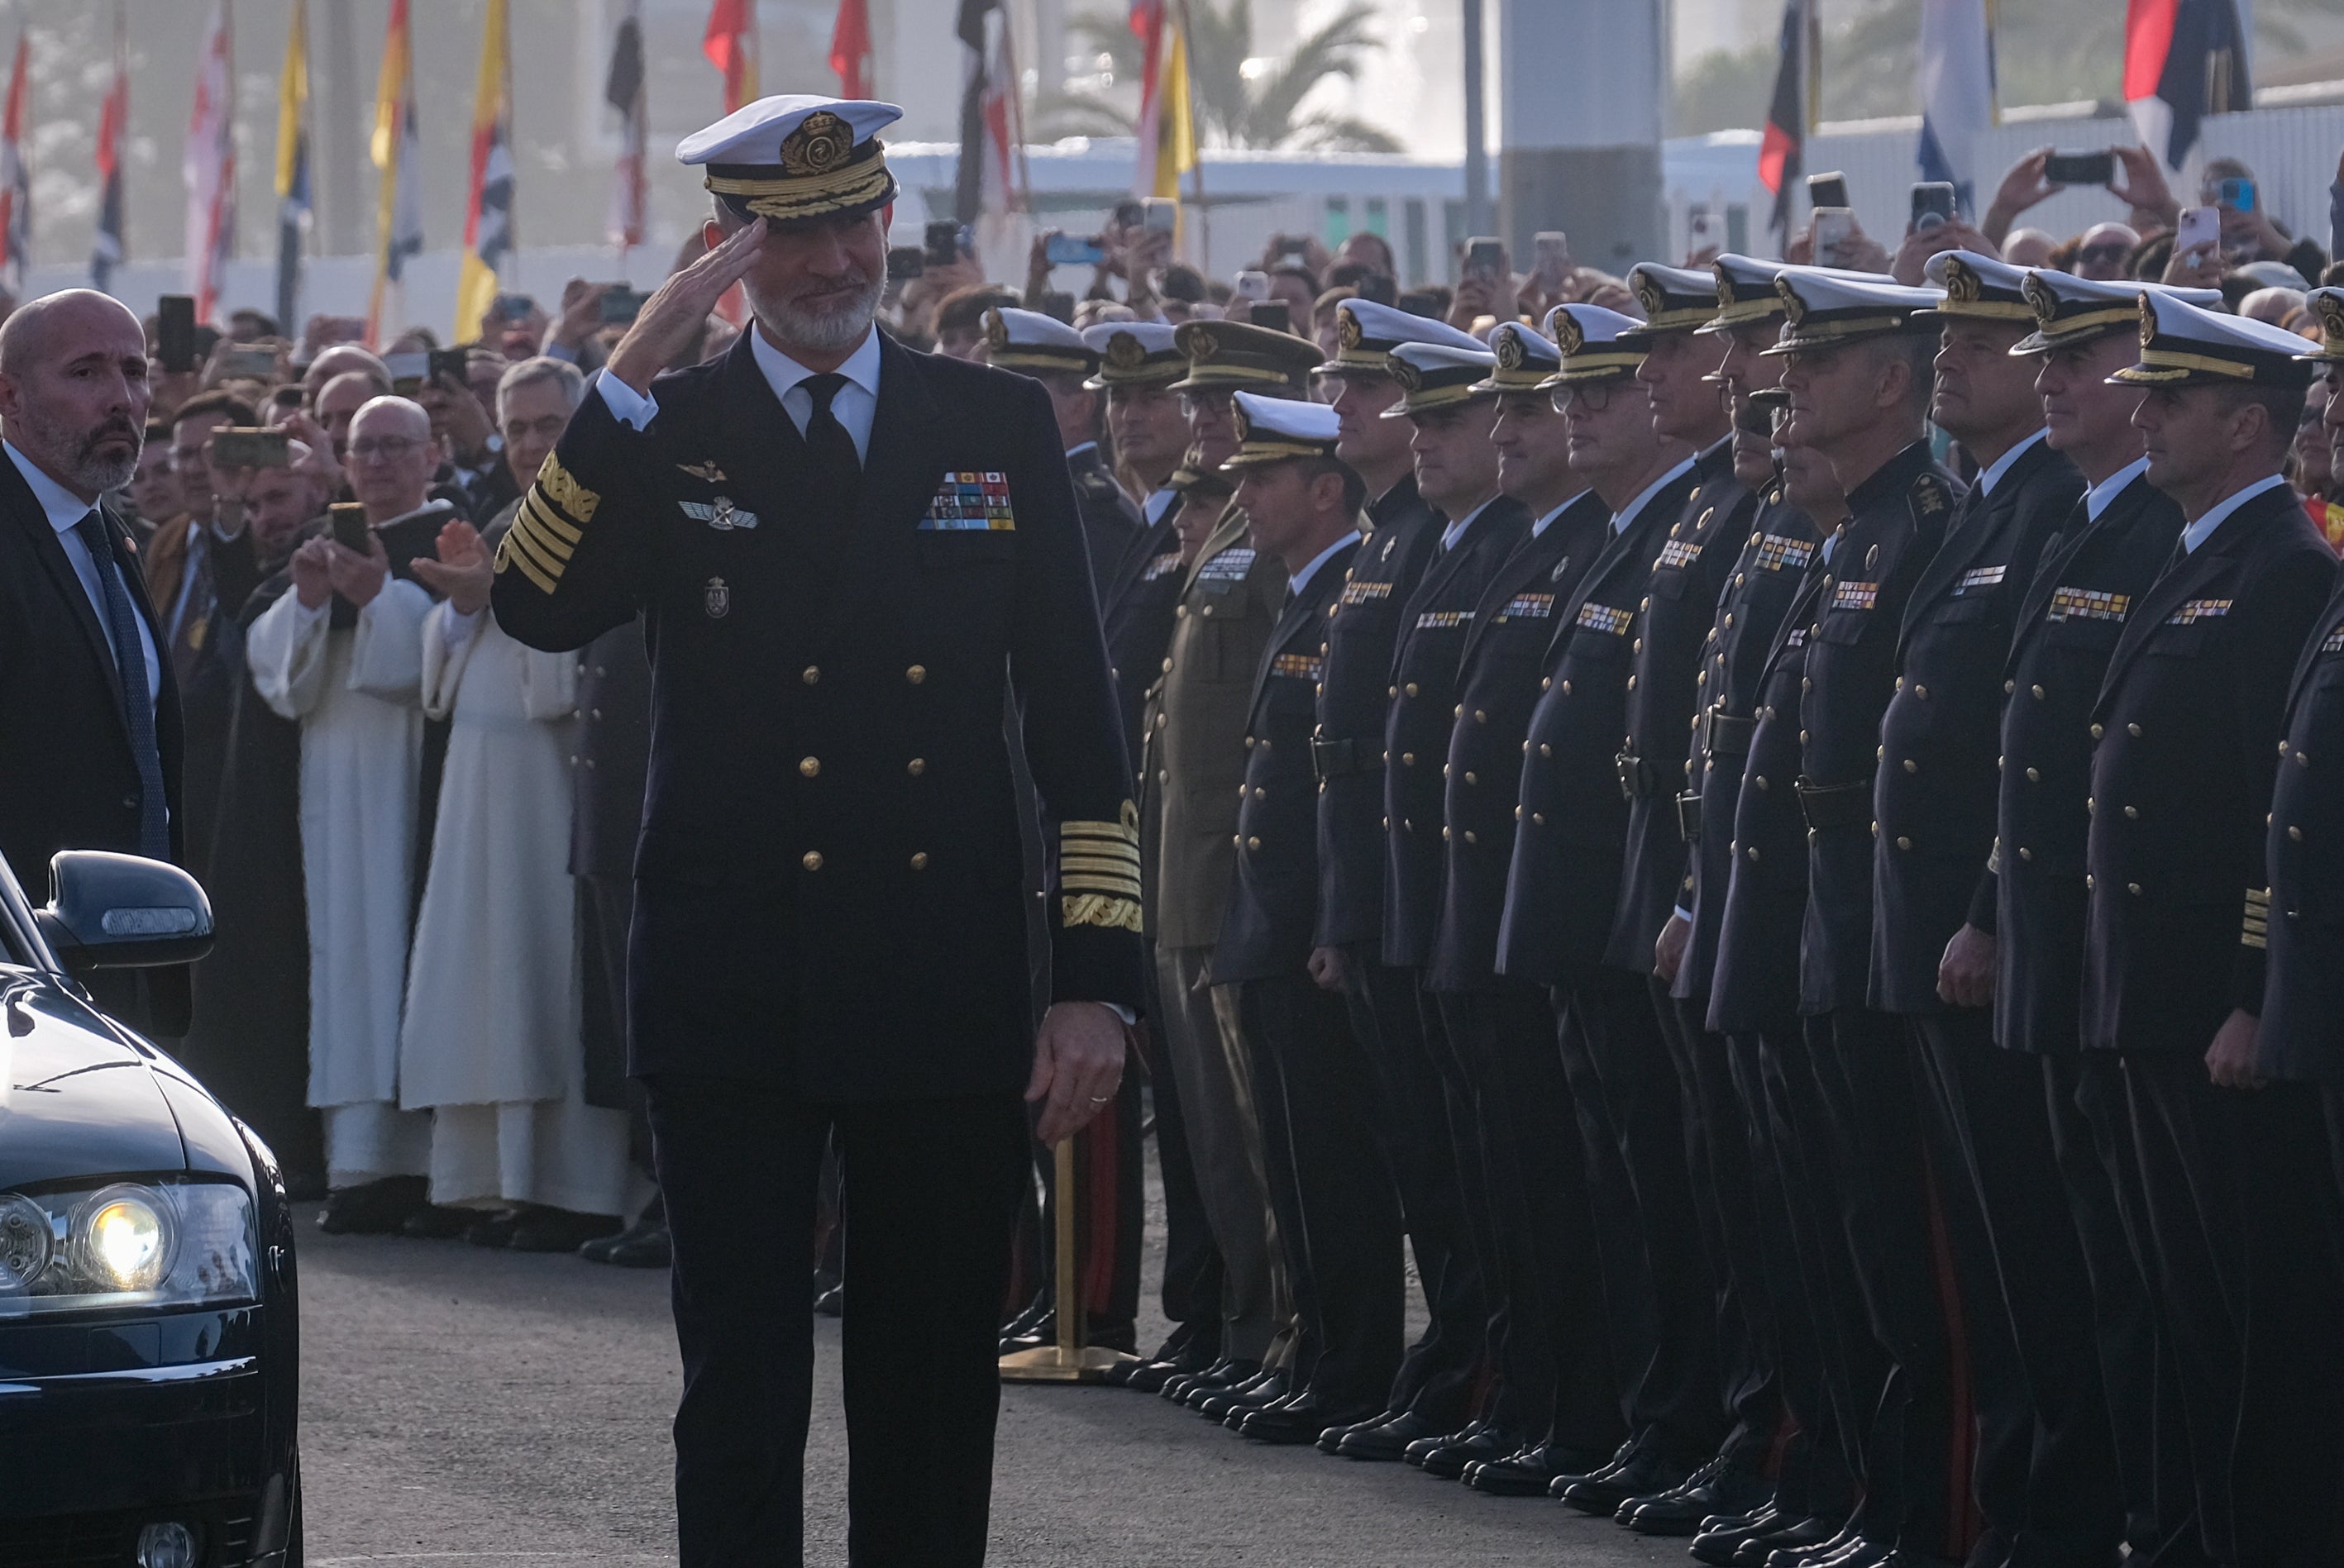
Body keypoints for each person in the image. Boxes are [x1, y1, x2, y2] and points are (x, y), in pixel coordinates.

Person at [486, 97, 1140, 1567]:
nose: (832, 260)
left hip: (940, 971)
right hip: (735, 980)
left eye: (854, 220)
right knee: (741, 1387)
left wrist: (1095, 977)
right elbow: (536, 604)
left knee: (925, 1392)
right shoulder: (670, 426)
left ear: (889, 223)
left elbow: (1079, 725)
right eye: (791, 235)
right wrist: (631, 365)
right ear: (730, 252)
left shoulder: (996, 422)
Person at [2092, 291, 2340, 1567]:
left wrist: (2249, 984)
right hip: (2149, 992)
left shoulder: (2283, 567)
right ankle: (2193, 1532)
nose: (2142, 414)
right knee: (2181, 1303)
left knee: (2249, 1314)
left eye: (2170, 398)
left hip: (2213, 1004)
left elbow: (2270, 811)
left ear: (2245, 423)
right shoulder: (2197, 553)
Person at [1988, 266, 2217, 1566]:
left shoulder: (2162, 539)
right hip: (2068, 955)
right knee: (2083, 1268)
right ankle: (2111, 1515)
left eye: (2084, 365)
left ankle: (2144, 1519)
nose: (2058, 384)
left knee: (2145, 1284)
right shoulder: (2087, 522)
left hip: (2130, 965)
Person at [1884, 251, 2109, 1567]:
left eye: (1988, 341)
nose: (1949, 360)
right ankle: (2010, 1506)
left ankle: (2045, 1514)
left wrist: (1976, 907)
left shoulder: (2044, 514)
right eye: (1945, 338)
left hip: (1997, 947)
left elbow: (2027, 757)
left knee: (2034, 1258)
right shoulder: (1980, 504)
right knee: (1989, 1259)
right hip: (1938, 940)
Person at [1765, 266, 1968, 1567]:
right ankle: (1874, 1502)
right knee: (1852, 1238)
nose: (1785, 383)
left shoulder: (1923, 522)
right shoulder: (1849, 526)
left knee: (1912, 1252)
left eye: (1815, 363)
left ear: (1889, 381)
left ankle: (1926, 1513)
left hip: (1890, 926)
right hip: (1832, 919)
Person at [1497, 301, 1706, 1507]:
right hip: (1587, 916)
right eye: (1561, 394)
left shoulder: (1676, 526)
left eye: (1595, 392)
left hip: (1635, 917)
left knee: (1663, 1201)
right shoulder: (1617, 536)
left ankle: (1670, 1422)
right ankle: (1637, 1418)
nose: (1574, 412)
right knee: (1612, 1188)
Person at [1414, 320, 1619, 1495]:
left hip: (1550, 922)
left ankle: (1577, 1410)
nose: (1505, 432)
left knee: (1565, 1190)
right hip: (1484, 916)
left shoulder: (1585, 539)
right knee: (1504, 1187)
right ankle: (1532, 1398)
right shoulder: (1523, 543)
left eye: (1525, 412)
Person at [1597, 260, 1782, 1537]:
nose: (1694, 371)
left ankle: (1762, 1440)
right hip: (1679, 890)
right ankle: (1707, 1429)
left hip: (1735, 902)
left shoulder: (1745, 503)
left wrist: (1689, 888)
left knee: (1744, 1206)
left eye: (1714, 347)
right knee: (1680, 1190)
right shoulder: (1711, 506)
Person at [1306, 299, 1504, 1464]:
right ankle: (1458, 1363)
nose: (1369, 416)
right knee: (1428, 1159)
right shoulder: (1398, 535)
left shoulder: (1443, 537)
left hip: (1433, 891)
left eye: (1427, 408)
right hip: (1385, 883)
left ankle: (1477, 1368)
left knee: (1469, 1161)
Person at [398, 356, 633, 1251]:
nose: (534, 445)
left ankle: (572, 1186)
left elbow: (576, 677)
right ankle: (494, 1182)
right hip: (478, 791)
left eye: (549, 425)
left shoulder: (608, 516)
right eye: (520, 427)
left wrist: (495, 596)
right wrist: (462, 608)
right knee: (488, 979)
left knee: (550, 973)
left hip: (557, 783)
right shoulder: (505, 520)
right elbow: (450, 663)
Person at [1209, 392, 1399, 1443]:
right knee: (1292, 1158)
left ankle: (1354, 1360)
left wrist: (1330, 917)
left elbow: (1343, 781)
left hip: (1308, 924)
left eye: (1264, 479)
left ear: (1325, 492)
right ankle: (1318, 1349)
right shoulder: (1304, 593)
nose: (1242, 497)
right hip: (1270, 918)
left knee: (1335, 1162)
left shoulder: (1344, 594)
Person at [1141, 318, 1312, 1418]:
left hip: (1224, 869)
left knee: (1254, 1140)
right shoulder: (1220, 533)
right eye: (1199, 406)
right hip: (1181, 870)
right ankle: (1244, 1327)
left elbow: (1271, 715)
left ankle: (1280, 1334)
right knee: (1207, 1130)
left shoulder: (1264, 541)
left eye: (1224, 407)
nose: (1204, 422)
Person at [246, 395, 456, 1235]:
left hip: (417, 783)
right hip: (335, 786)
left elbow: (439, 654)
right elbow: (275, 672)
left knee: (412, 955)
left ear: (431, 455)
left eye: (394, 446)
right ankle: (364, 1162)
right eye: (362, 447)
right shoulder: (322, 542)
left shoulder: (452, 535)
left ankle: (435, 1168)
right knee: (351, 964)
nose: (376, 462)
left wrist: (381, 598)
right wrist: (305, 601)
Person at [0, 288, 184, 1034]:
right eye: (86, 373)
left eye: (136, 372)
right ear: (8, 394)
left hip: (109, 973)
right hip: (21, 990)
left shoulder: (105, 535)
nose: (123, 398)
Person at [177, 438, 337, 1199]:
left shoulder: (334, 564)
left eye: (282, 500)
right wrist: (232, 509)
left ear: (319, 500)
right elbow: (249, 593)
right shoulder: (277, 571)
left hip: (312, 812)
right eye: (258, 502)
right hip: (251, 811)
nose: (268, 516)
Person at [981, 307, 1141, 599]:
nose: (995, 406)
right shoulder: (1019, 490)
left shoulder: (1095, 511)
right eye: (993, 391)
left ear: (1080, 407)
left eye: (1017, 394)